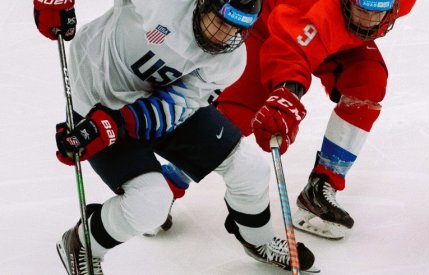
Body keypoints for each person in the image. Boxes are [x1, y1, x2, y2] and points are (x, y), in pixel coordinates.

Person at [33, 0, 318, 273]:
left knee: (251, 169)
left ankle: (260, 241)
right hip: (97, 96)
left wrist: (116, 126)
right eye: (220, 21)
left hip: (156, 101)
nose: (226, 35)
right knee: (152, 204)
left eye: (237, 28)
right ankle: (82, 244)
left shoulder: (230, 60)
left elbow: (174, 108)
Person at [154, 0, 417, 240]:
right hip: (270, 25)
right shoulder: (319, 11)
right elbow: (290, 50)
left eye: (379, 6)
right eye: (363, 5)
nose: (368, 17)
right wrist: (286, 97)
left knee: (367, 80)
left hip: (331, 34)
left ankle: (321, 188)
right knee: (238, 114)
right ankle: (164, 188)